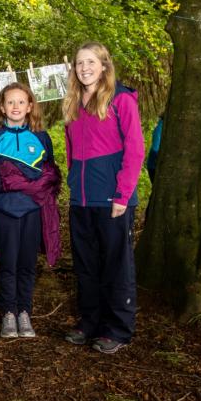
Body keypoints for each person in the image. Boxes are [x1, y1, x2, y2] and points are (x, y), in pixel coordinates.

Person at [63, 42, 145, 354]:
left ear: (104, 66)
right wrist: (73, 186)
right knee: (86, 265)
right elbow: (72, 153)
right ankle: (90, 322)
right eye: (79, 63)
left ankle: (118, 329)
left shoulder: (121, 98)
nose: (84, 68)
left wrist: (123, 195)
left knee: (116, 265)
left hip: (113, 200)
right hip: (81, 200)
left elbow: (135, 149)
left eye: (90, 62)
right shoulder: (74, 103)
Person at [0, 83, 61, 339]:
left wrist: (33, 186)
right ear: (2, 107)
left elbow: (50, 174)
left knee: (28, 263)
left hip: (33, 211)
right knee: (8, 263)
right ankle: (8, 313)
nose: (16, 107)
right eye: (10, 102)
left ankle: (24, 312)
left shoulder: (41, 137)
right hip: (4, 211)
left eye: (21, 102)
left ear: (30, 106)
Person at [146, 115, 163, 183]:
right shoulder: (160, 127)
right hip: (154, 160)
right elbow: (156, 145)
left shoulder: (159, 126)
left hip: (153, 161)